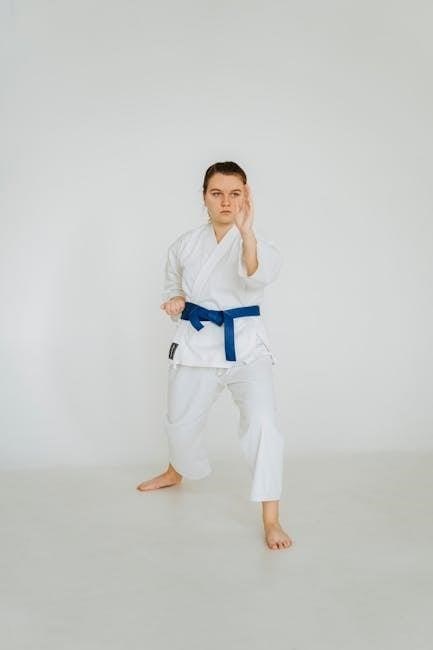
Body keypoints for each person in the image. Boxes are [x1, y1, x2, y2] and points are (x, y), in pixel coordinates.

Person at [137, 161, 293, 551]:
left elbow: (256, 275)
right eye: (217, 193)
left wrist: (247, 233)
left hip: (246, 347)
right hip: (197, 342)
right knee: (179, 424)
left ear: (246, 197)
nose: (226, 201)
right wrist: (175, 301)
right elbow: (172, 286)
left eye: (234, 193)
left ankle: (271, 518)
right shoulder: (184, 244)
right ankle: (176, 471)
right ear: (204, 197)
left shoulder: (259, 243)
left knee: (264, 426)